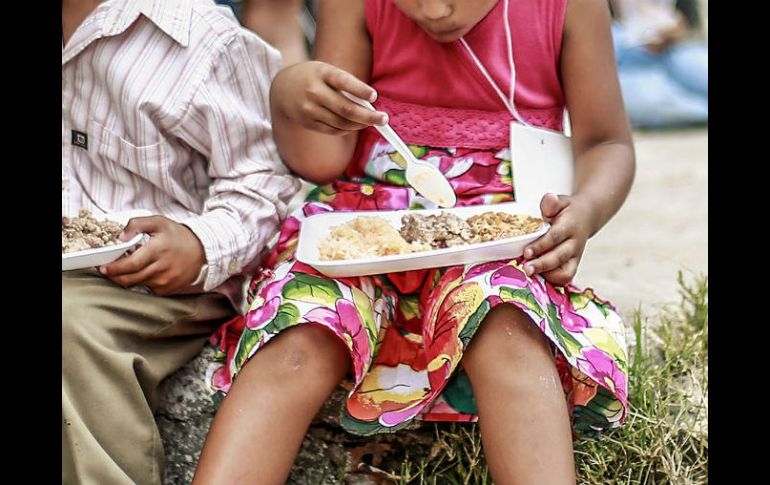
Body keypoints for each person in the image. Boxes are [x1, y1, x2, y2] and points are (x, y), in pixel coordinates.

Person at [195, 0, 635, 483]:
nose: (435, 8)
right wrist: (288, 96)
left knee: (508, 328)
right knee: (298, 331)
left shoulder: (567, 7)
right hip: (361, 236)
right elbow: (322, 159)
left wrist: (586, 209)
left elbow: (606, 142)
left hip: (501, 244)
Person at [61, 0, 300, 483]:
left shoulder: (201, 41)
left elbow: (264, 183)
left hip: (158, 283)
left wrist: (200, 245)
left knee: (69, 325)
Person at [610, 0, 708, 127]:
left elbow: (690, 23)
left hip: (675, 51)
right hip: (626, 62)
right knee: (648, 99)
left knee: (698, 66)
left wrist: (679, 31)